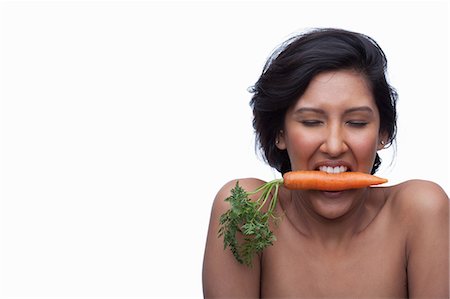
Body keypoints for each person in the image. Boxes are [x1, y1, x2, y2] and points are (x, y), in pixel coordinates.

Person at [202, 28, 449, 298]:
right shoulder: (245, 209)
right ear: (279, 133)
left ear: (382, 134)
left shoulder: (419, 212)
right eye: (311, 122)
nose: (334, 146)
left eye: (356, 123)